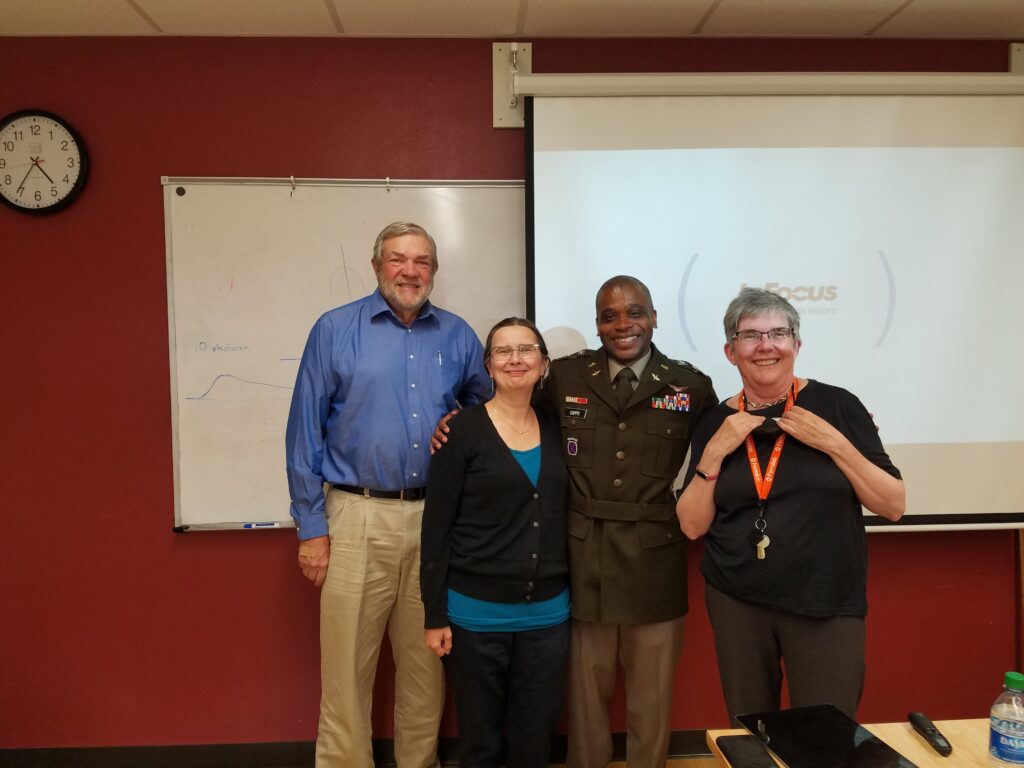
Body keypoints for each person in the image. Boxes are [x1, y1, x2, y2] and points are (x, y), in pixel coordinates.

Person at [285, 221, 491, 768]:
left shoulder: (457, 335)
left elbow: (491, 411)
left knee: (426, 668)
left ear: (434, 271)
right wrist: (311, 529)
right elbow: (304, 432)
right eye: (398, 260)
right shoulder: (334, 330)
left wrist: (462, 420)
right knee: (347, 670)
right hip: (355, 517)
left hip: (436, 519)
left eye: (421, 261)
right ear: (377, 266)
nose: (410, 271)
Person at [676, 287, 905, 722]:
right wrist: (712, 455)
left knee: (825, 734)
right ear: (730, 351)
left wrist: (835, 444)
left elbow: (893, 504)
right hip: (737, 599)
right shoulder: (714, 420)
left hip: (825, 599)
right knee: (750, 731)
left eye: (778, 333)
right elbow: (691, 526)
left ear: (796, 345)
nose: (765, 346)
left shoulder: (838, 406)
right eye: (750, 335)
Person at [547, 276, 717, 768]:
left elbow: (720, 457)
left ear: (655, 317)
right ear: (597, 324)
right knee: (583, 702)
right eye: (609, 316)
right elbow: (517, 430)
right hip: (583, 555)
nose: (623, 325)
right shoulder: (564, 378)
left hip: (654, 559)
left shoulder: (691, 385)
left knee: (651, 699)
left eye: (635, 312)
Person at [420, 317, 570, 768]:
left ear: (543, 363)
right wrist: (434, 614)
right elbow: (436, 527)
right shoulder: (460, 432)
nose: (515, 359)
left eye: (526, 349)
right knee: (480, 742)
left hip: (547, 616)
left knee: (534, 739)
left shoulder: (560, 428)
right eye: (503, 351)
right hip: (474, 616)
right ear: (488, 366)